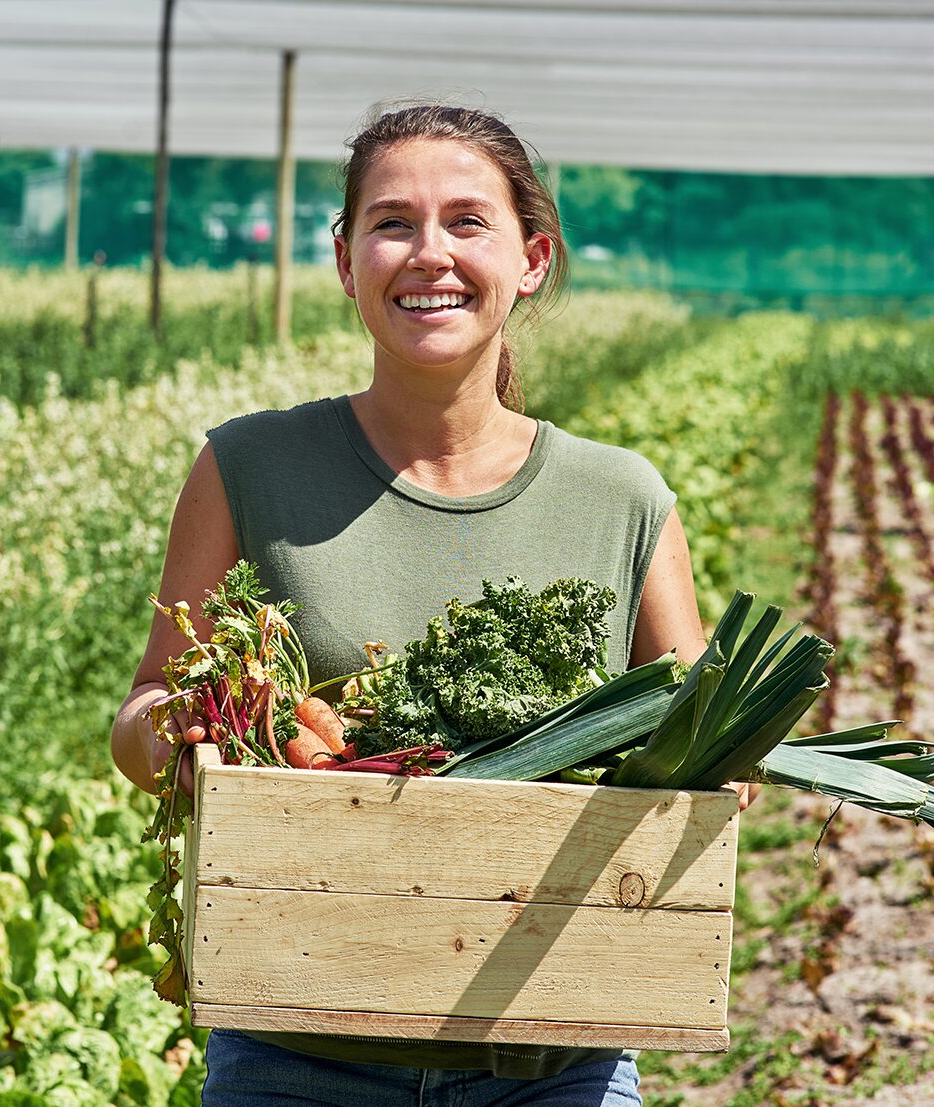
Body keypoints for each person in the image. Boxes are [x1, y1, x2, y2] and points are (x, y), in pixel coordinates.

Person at [110, 104, 752, 1106]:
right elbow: (144, 706)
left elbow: (708, 753)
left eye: (467, 221)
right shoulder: (247, 465)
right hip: (297, 1048)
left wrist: (724, 769)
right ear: (344, 257)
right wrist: (187, 736)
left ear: (531, 258)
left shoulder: (624, 496)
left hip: (555, 1055)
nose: (429, 254)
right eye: (392, 222)